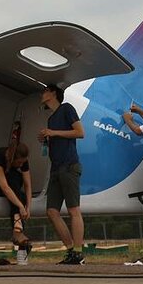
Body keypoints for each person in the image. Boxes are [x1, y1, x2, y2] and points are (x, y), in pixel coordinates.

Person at [38, 84, 86, 264]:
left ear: (52, 93)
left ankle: (79, 252)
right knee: (51, 211)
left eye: (44, 91)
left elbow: (80, 132)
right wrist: (46, 139)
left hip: (69, 165)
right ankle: (71, 249)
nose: (42, 94)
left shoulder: (67, 109)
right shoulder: (51, 119)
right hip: (56, 168)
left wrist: (53, 133)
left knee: (74, 209)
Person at [0, 140, 34, 257]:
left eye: (23, 163)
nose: (21, 165)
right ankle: (17, 232)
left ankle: (18, 231)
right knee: (15, 190)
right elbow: (4, 187)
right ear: (12, 159)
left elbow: (27, 185)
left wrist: (28, 207)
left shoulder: (23, 161)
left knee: (18, 189)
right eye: (19, 163)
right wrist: (21, 206)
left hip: (13, 185)